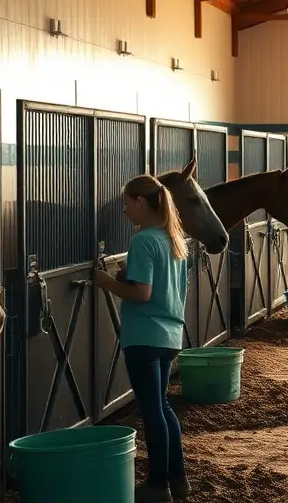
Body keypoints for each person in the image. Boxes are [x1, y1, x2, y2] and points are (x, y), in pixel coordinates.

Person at [95, 174, 192, 503]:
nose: (124, 210)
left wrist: (105, 281)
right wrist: (126, 275)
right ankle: (178, 480)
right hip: (169, 336)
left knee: (151, 411)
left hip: (143, 336)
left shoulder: (143, 241)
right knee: (163, 407)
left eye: (126, 203)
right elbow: (164, 288)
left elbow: (141, 293)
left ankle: (157, 483)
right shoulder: (173, 239)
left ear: (140, 202)